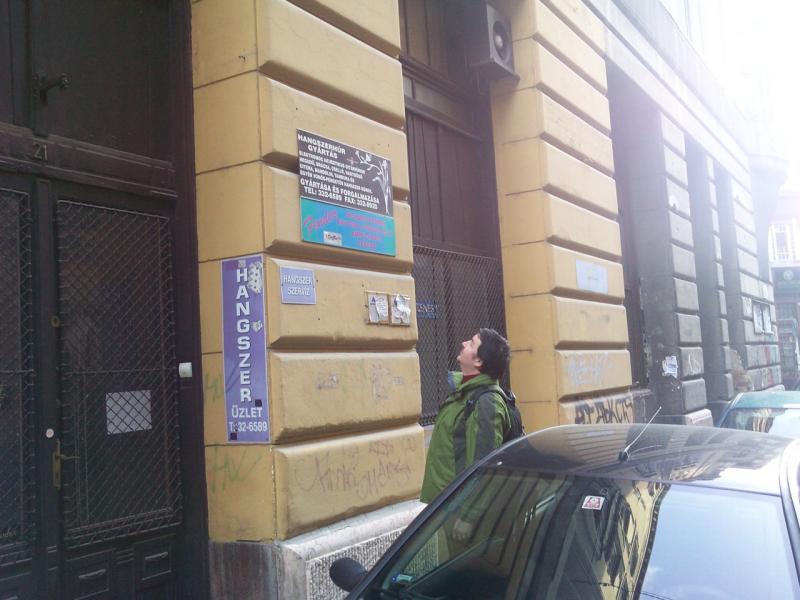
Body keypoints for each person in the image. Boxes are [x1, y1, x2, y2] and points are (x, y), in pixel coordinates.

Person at [420, 328, 511, 542]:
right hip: (447, 504)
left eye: (471, 343)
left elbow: (484, 464)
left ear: (478, 361)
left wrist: (469, 517)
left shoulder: (486, 403)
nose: (463, 343)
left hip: (459, 511)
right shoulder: (466, 393)